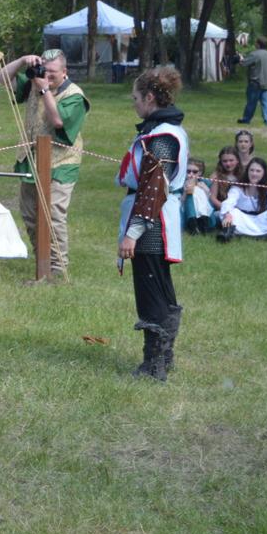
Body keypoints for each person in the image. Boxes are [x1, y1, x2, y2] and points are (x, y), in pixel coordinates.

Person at [117, 65, 188, 382]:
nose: (134, 103)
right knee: (160, 290)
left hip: (151, 226)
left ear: (149, 97)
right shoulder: (159, 131)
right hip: (157, 221)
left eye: (136, 97)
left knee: (153, 294)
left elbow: (153, 188)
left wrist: (133, 233)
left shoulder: (162, 136)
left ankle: (154, 365)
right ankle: (164, 359)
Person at [0, 48, 90, 281]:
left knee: (52, 215)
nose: (46, 75)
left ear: (65, 71)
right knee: (30, 215)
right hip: (30, 158)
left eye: (52, 72)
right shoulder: (34, 82)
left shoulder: (75, 95)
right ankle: (43, 265)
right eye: (43, 70)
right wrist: (20, 60)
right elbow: (1, 79)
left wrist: (44, 89)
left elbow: (58, 120)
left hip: (62, 162)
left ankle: (58, 270)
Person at [217, 158, 267, 241]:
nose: (254, 173)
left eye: (258, 171)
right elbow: (230, 201)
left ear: (264, 173)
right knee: (232, 213)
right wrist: (227, 214)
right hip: (242, 218)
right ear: (247, 171)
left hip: (260, 219)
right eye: (251, 170)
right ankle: (227, 233)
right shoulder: (238, 187)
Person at [236, 36, 267, 126]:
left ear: (258, 44)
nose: (255, 44)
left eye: (256, 42)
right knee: (266, 104)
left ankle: (246, 119)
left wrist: (240, 57)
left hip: (256, 82)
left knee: (251, 103)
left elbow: (243, 63)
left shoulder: (255, 54)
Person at [206, 146, 242, 224]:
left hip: (240, 210)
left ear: (237, 160)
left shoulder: (243, 176)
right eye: (225, 161)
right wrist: (227, 210)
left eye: (231, 160)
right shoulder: (216, 176)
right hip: (221, 209)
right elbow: (213, 198)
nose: (228, 164)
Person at [181, 158, 213, 235]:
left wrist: (206, 190)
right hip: (186, 214)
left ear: (200, 173)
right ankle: (193, 225)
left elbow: (211, 202)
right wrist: (185, 192)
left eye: (195, 172)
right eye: (188, 171)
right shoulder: (181, 184)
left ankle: (203, 222)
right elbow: (180, 204)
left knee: (198, 190)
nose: (191, 174)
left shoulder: (205, 183)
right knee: (191, 192)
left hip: (206, 214)